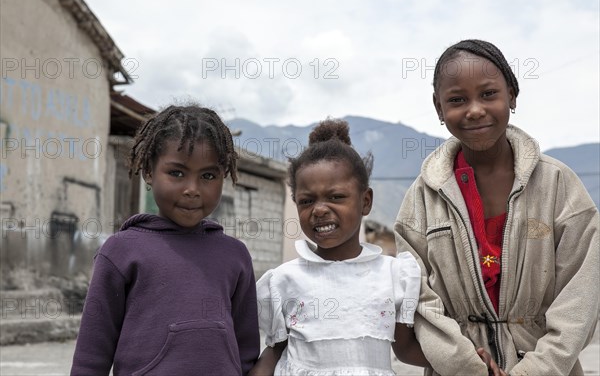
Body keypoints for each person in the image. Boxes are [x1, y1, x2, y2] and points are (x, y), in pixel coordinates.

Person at [395, 39, 599, 376]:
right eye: (457, 99)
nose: (474, 109)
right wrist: (466, 366)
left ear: (512, 95)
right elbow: (419, 300)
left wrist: (535, 369)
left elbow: (582, 295)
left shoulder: (559, 185)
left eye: (488, 94)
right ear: (438, 108)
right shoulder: (421, 199)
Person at [70, 105, 260, 375]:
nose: (192, 190)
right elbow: (91, 357)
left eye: (208, 176)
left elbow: (246, 353)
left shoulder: (235, 255)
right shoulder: (122, 251)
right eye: (177, 173)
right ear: (149, 171)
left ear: (223, 177)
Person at [249, 118, 429, 376]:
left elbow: (405, 349)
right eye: (307, 201)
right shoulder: (284, 280)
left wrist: (464, 360)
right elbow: (275, 350)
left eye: (336, 197)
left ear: (365, 201)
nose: (319, 210)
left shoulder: (393, 275)